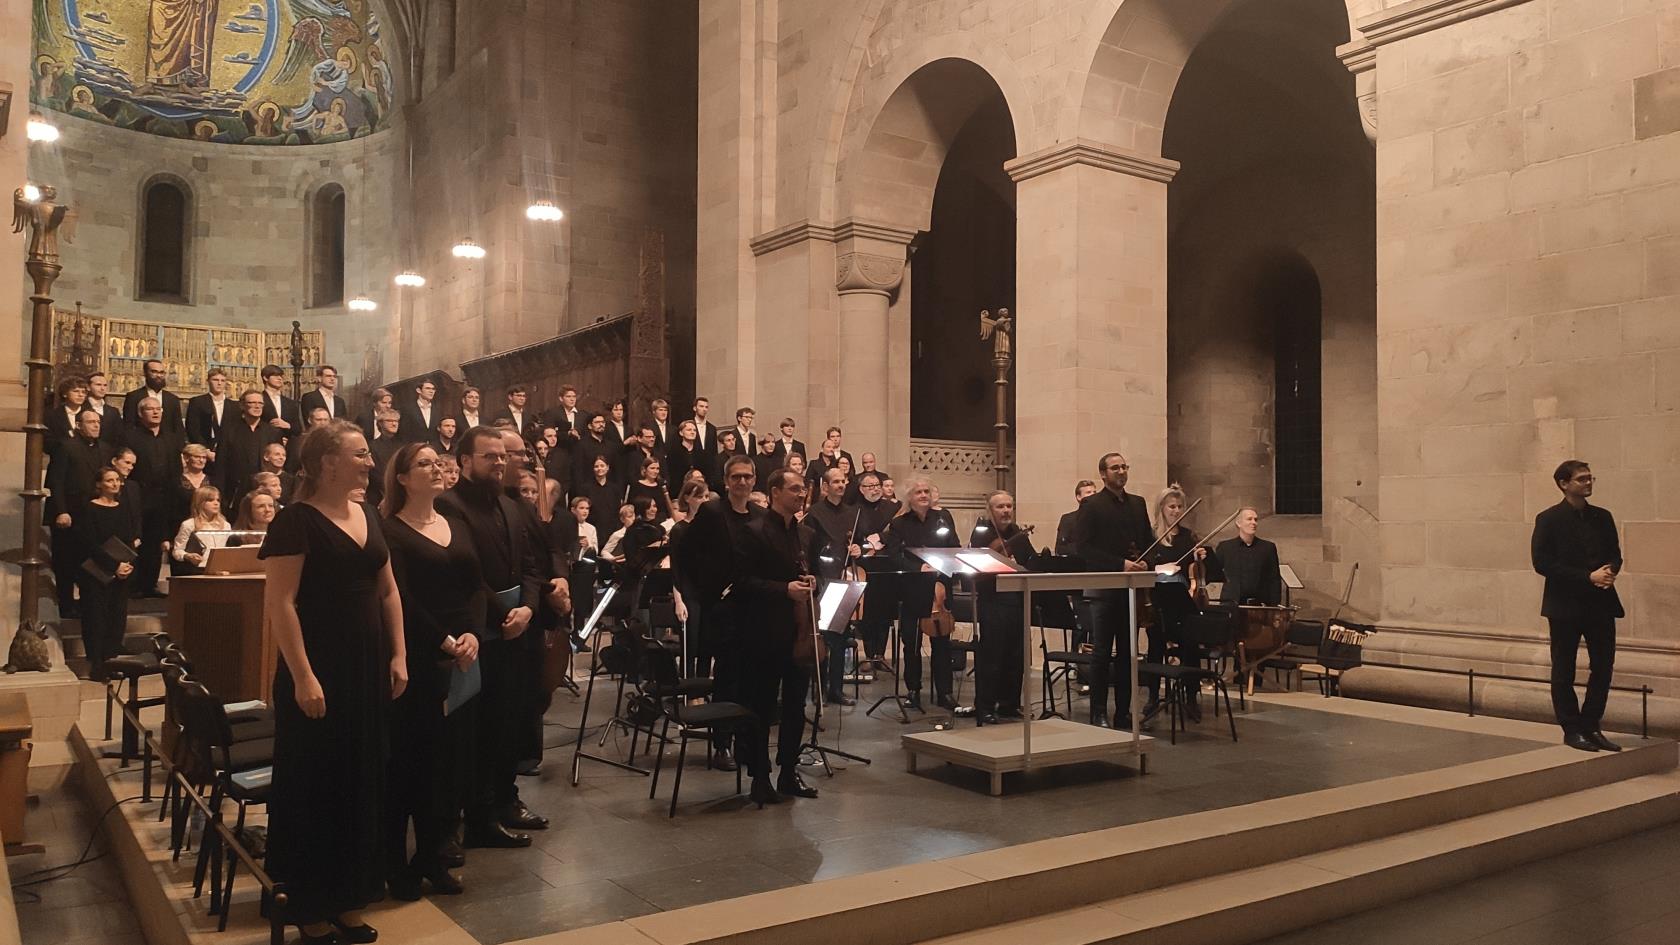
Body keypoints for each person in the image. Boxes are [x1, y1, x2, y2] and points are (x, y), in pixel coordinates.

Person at [260, 419, 406, 944]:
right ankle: (309, 905)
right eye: (361, 453)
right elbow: (279, 602)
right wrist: (302, 676)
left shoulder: (367, 514)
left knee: (359, 779)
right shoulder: (295, 521)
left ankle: (348, 898)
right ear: (327, 463)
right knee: (316, 783)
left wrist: (400, 655)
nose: (371, 462)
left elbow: (387, 592)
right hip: (319, 670)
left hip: (366, 668)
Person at [380, 444, 481, 900]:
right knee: (410, 765)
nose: (437, 467)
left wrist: (472, 634)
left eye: (438, 461)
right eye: (424, 463)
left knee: (450, 767)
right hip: (418, 657)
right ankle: (397, 867)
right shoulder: (389, 530)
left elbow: (473, 587)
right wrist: (444, 640)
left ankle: (433, 858)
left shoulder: (455, 524)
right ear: (401, 478)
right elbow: (399, 597)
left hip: (462, 655)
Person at [436, 426, 543, 848]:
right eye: (489, 457)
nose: (499, 463)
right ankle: (469, 817)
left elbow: (530, 565)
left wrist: (529, 607)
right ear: (464, 461)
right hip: (477, 628)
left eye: (502, 456)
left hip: (515, 627)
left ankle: (498, 805)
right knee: (471, 730)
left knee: (505, 722)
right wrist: (505, 614)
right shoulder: (450, 504)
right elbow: (467, 573)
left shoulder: (509, 504)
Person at [731, 467, 821, 804]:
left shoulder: (806, 534)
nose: (801, 494)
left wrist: (813, 583)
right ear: (774, 492)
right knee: (762, 706)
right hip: (763, 631)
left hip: (799, 632)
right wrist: (784, 589)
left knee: (796, 705)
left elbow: (815, 576)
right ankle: (759, 776)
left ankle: (787, 771)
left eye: (803, 490)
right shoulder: (752, 532)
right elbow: (740, 584)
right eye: (795, 489)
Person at [1531, 460, 1624, 753]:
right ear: (1563, 484)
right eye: (1582, 479)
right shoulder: (1548, 519)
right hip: (1565, 606)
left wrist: (1610, 571)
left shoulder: (1603, 517)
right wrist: (1588, 577)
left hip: (1601, 603)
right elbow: (1542, 563)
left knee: (1603, 667)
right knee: (1564, 668)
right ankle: (1571, 729)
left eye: (1589, 478)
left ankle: (1591, 724)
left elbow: (1615, 553)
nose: (1588, 483)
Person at [1074, 453, 1153, 729]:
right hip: (1105, 589)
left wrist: (1145, 560)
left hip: (1131, 590)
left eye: (1124, 466)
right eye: (1115, 467)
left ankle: (1122, 712)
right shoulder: (1092, 505)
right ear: (1103, 474)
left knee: (1128, 654)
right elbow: (1082, 547)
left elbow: (1147, 541)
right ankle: (1099, 712)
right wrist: (1120, 563)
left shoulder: (1138, 503)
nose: (1121, 471)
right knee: (1101, 652)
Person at [881, 476, 961, 711]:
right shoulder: (899, 524)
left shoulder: (943, 519)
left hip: (939, 589)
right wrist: (918, 568)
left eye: (927, 491)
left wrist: (945, 569)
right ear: (910, 497)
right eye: (919, 492)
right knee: (911, 642)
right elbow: (893, 555)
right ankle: (913, 690)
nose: (924, 495)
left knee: (942, 643)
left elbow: (954, 547)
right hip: (913, 589)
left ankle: (944, 692)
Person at [1142, 485, 1210, 724]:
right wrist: (1161, 569)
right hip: (1157, 602)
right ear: (1161, 508)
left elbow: (1204, 574)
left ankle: (1191, 697)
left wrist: (1203, 558)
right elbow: (1144, 567)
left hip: (1184, 601)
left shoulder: (1189, 537)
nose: (1177, 511)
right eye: (1172, 506)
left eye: (1180, 507)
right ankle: (1152, 697)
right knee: (1155, 648)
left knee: (1191, 648)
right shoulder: (1150, 537)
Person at [969, 490, 1035, 725]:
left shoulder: (1018, 533)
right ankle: (985, 706)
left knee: (1016, 655)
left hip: (1016, 600)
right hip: (992, 600)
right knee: (992, 656)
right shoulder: (981, 534)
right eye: (1001, 507)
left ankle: (1009, 704)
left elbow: (1031, 561)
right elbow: (977, 563)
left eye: (1009, 506)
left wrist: (1023, 565)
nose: (1006, 510)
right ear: (990, 510)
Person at [47, 408, 113, 618]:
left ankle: (89, 604)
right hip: (70, 515)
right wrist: (61, 511)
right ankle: (66, 605)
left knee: (89, 562)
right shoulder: (66, 447)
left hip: (93, 516)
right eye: (90, 422)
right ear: (78, 425)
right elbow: (56, 481)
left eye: (98, 422)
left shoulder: (105, 448)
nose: (96, 425)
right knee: (66, 562)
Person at [76, 467, 141, 677]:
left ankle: (111, 661)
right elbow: (89, 543)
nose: (115, 484)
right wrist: (113, 566)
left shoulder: (122, 508)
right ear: (99, 485)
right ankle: (96, 664)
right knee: (96, 618)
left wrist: (126, 564)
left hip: (120, 572)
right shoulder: (89, 509)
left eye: (117, 480)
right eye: (110, 480)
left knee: (116, 616)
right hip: (96, 572)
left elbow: (128, 539)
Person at [806, 467, 858, 705]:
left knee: (839, 637)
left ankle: (836, 689)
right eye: (835, 482)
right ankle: (819, 689)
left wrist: (859, 548)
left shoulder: (853, 512)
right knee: (823, 637)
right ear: (825, 487)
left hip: (844, 578)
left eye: (843, 481)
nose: (840, 485)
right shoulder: (815, 512)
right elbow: (809, 546)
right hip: (823, 579)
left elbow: (862, 541)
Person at [124, 398, 185, 596]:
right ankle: (133, 584)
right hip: (138, 496)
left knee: (156, 543)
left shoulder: (172, 438)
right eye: (150, 409)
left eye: (159, 408)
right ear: (141, 413)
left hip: (164, 498)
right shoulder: (130, 437)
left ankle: (150, 584)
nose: (156, 412)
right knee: (136, 540)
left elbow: (176, 468)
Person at [218, 390, 281, 514]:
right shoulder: (230, 431)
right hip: (237, 492)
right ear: (242, 405)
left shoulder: (273, 432)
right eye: (252, 403)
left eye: (260, 403)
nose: (257, 406)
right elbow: (221, 464)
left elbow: (279, 463)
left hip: (265, 492)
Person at [1213, 509, 1281, 606]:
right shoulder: (1225, 547)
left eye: (1255, 520)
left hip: (1259, 604)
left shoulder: (1268, 548)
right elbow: (1213, 572)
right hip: (1231, 603)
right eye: (1249, 519)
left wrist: (1274, 606)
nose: (1253, 522)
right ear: (1238, 523)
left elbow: (1274, 579)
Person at [170, 486, 230, 577]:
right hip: (197, 571)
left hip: (220, 570)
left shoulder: (225, 525)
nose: (216, 503)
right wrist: (188, 556)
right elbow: (177, 551)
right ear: (200, 503)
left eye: (218, 500)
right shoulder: (189, 524)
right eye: (210, 500)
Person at [121, 359, 184, 431]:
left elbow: (178, 428)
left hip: (167, 441)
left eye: (162, 372)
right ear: (145, 373)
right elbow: (128, 425)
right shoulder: (133, 397)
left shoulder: (173, 399)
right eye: (154, 372)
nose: (159, 375)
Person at [185, 368, 231, 465]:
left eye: (222, 380)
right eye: (215, 380)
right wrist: (205, 450)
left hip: (227, 454)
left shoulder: (234, 406)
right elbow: (193, 428)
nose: (219, 383)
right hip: (203, 453)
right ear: (208, 381)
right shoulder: (197, 402)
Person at [577, 455, 621, 541]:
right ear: (593, 469)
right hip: (592, 529)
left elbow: (617, 510)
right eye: (596, 466)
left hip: (610, 529)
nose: (599, 468)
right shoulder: (585, 488)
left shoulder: (614, 488)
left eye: (602, 465)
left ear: (607, 467)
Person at [258, 364, 302, 448]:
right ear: (265, 378)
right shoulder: (259, 399)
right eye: (275, 376)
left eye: (281, 376)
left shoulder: (290, 403)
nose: (280, 378)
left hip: (288, 447)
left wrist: (287, 425)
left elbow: (298, 429)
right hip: (265, 445)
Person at [45, 375, 90, 456]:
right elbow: (47, 442)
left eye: (83, 392)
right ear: (65, 394)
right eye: (76, 391)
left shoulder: (90, 414)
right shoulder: (52, 416)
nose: (80, 395)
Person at [1055, 480, 1098, 557]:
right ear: (1079, 497)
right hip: (1077, 564)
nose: (1093, 495)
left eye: (1094, 492)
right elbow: (1060, 548)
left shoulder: (1103, 517)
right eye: (1088, 492)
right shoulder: (1068, 519)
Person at [626, 456, 672, 522]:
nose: (655, 471)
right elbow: (631, 506)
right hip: (642, 521)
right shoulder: (636, 485)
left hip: (660, 521)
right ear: (644, 469)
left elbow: (664, 507)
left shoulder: (661, 485)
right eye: (652, 468)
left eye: (657, 469)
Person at [664, 420, 702, 497]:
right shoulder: (673, 453)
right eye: (689, 430)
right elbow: (672, 475)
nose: (692, 432)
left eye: (694, 430)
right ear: (681, 433)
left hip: (700, 489)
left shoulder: (701, 452)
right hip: (679, 490)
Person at [398, 378, 442, 444]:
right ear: (419, 390)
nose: (431, 391)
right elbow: (404, 433)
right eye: (428, 388)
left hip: (433, 449)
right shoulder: (407, 409)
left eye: (433, 389)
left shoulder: (438, 410)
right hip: (414, 448)